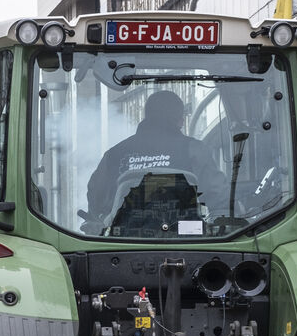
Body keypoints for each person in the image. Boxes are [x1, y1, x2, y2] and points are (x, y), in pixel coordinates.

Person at [83, 90, 224, 233]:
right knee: (200, 228)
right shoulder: (194, 150)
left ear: (146, 116)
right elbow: (219, 197)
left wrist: (104, 220)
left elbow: (95, 199)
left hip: (125, 237)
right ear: (180, 121)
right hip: (185, 234)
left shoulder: (114, 155)